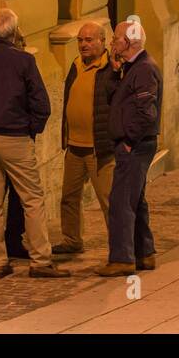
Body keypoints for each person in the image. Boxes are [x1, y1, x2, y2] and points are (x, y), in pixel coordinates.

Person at [0, 8, 67, 279]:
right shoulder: (23, 62)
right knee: (31, 198)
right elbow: (41, 103)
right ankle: (40, 260)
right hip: (15, 139)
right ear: (15, 32)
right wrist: (32, 129)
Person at [97, 18, 163, 277]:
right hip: (133, 143)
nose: (112, 43)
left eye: (115, 39)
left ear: (129, 42)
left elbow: (146, 112)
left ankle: (122, 258)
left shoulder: (144, 69)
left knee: (121, 200)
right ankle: (144, 253)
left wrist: (128, 140)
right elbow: (114, 97)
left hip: (135, 145)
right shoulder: (131, 67)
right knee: (136, 199)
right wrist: (114, 71)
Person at [54, 20, 118, 257]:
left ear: (102, 41)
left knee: (108, 200)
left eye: (89, 40)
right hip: (74, 146)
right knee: (69, 198)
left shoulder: (111, 69)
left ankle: (119, 246)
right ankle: (71, 240)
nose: (83, 44)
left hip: (98, 149)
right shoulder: (76, 64)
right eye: (80, 40)